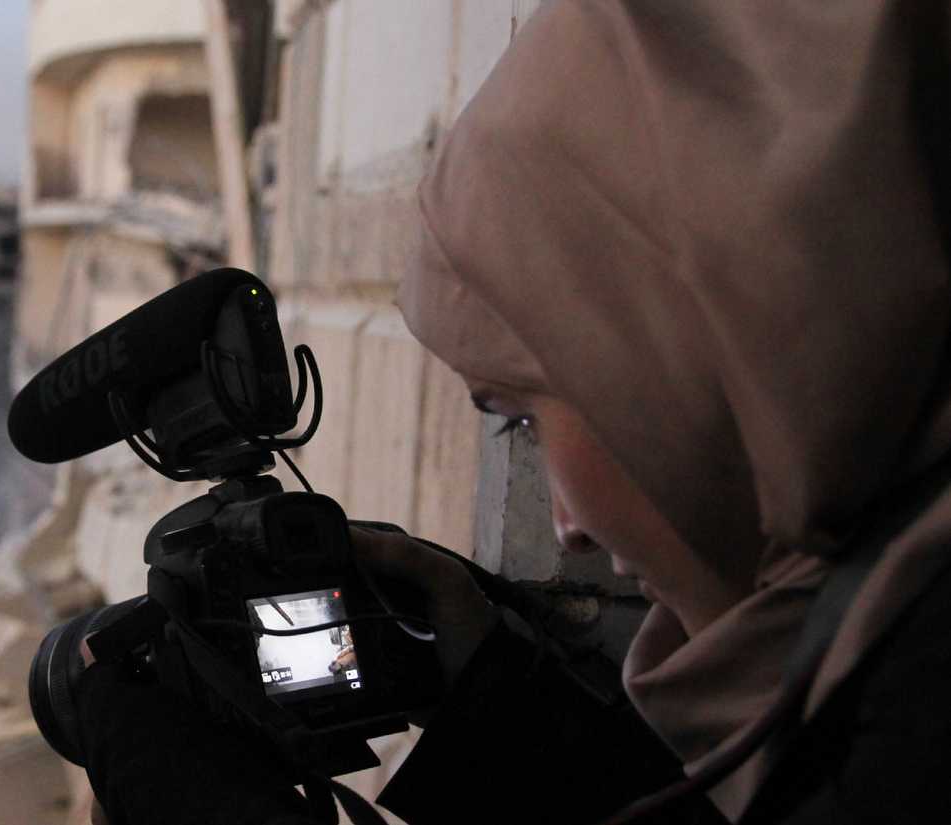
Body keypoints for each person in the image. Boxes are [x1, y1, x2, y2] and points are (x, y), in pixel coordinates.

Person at [73, 0, 951, 823]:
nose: (568, 527)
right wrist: (490, 686)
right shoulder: (872, 645)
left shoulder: (909, 730)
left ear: (700, 361)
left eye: (523, 418)